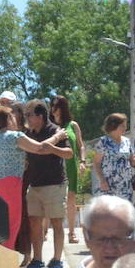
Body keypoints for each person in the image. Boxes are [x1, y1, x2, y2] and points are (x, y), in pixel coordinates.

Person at [21, 100, 74, 268]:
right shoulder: (28, 133)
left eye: (29, 115)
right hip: (34, 185)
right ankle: (37, 259)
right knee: (35, 223)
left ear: (40, 116)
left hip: (54, 184)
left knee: (57, 223)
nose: (26, 118)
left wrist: (52, 148)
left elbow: (69, 153)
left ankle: (57, 260)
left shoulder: (56, 131)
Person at [50, 97, 85, 245]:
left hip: (71, 165)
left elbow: (80, 145)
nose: (53, 109)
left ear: (63, 108)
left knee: (71, 200)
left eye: (56, 106)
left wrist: (82, 161)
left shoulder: (73, 125)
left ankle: (71, 233)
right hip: (53, 166)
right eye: (52, 106)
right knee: (52, 200)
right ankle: (45, 231)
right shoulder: (49, 126)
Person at [92, 113, 135, 199]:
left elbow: (132, 160)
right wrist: (102, 180)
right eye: (122, 126)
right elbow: (97, 163)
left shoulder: (127, 141)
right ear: (113, 126)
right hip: (108, 185)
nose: (125, 128)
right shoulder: (103, 142)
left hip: (125, 186)